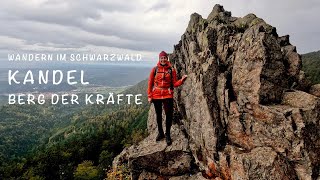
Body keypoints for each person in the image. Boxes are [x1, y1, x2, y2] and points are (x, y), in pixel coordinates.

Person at [147, 51, 187, 146]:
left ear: (167, 58)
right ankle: (160, 133)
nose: (163, 59)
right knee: (158, 115)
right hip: (156, 94)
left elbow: (174, 83)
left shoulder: (171, 70)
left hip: (167, 94)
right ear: (159, 59)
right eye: (161, 58)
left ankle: (167, 134)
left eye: (164, 58)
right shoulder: (155, 69)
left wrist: (181, 80)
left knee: (169, 115)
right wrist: (149, 96)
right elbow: (150, 83)